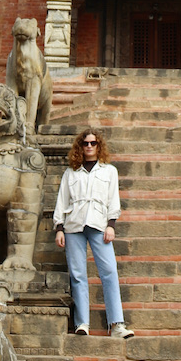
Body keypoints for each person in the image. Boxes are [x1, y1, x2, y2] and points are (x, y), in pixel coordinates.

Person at [53, 128, 134, 338]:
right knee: (78, 275)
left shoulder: (109, 171)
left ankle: (116, 324)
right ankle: (82, 323)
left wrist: (111, 225)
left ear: (99, 146)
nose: (89, 147)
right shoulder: (71, 173)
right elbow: (62, 201)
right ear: (80, 147)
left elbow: (113, 200)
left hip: (99, 224)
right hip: (73, 226)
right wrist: (59, 228)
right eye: (85, 143)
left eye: (93, 143)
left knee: (109, 272)